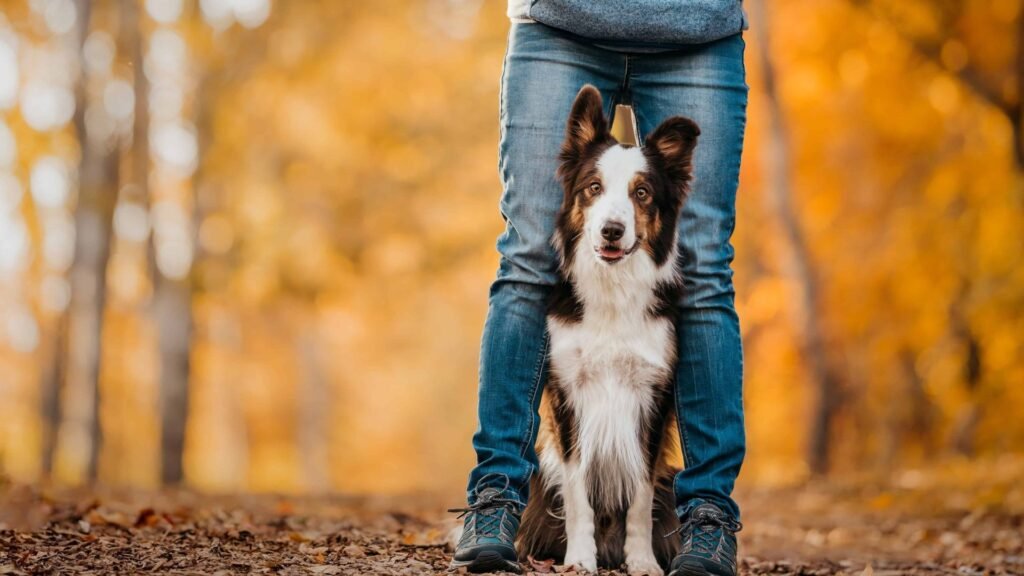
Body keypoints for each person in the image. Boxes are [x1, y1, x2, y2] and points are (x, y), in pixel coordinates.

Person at [449, 2, 749, 575]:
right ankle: (497, 500)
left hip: (698, 27)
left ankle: (707, 517)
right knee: (528, 257)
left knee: (706, 270)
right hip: (560, 23)